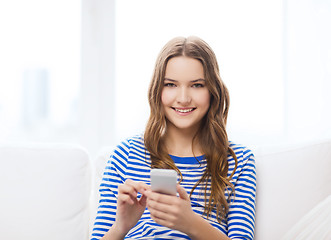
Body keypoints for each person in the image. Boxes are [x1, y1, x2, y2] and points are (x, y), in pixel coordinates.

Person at [91, 36, 256, 240]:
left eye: (197, 85)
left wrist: (191, 223)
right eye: (170, 84)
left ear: (213, 90)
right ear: (157, 90)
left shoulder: (238, 161)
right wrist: (121, 227)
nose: (184, 98)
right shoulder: (125, 155)